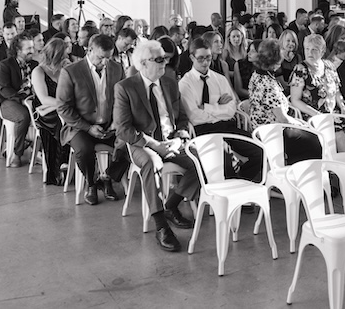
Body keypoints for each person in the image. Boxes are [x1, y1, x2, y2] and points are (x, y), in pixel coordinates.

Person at [114, 40, 200, 252]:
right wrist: (154, 145)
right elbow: (123, 130)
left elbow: (180, 117)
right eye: (159, 59)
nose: (165, 63)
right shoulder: (125, 88)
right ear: (143, 63)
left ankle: (170, 205)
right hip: (141, 142)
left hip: (170, 139)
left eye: (166, 58)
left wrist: (179, 137)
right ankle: (161, 225)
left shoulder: (170, 83)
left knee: (200, 161)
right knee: (152, 164)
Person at [55, 33, 128, 206]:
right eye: (101, 58)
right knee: (84, 150)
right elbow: (63, 107)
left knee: (130, 143)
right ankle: (91, 183)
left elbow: (123, 100)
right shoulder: (71, 71)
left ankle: (108, 176)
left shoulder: (116, 68)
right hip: (80, 125)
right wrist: (88, 127)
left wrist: (116, 122)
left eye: (108, 58)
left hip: (110, 123)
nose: (105, 63)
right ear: (89, 50)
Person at [178, 37, 263, 180]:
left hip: (227, 126)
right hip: (203, 130)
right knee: (224, 158)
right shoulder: (186, 83)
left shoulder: (219, 79)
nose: (205, 62)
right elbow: (194, 116)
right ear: (192, 57)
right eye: (200, 59)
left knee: (259, 149)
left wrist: (207, 107)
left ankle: (241, 181)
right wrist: (219, 107)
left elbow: (231, 110)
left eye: (208, 58)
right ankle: (229, 188)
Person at [248, 38, 322, 164]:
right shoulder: (269, 84)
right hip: (271, 131)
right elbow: (282, 119)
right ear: (276, 63)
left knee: (307, 133)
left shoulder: (257, 74)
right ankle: (298, 173)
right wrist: (301, 124)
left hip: (264, 125)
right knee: (314, 141)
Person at [289, 34, 345, 152]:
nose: (310, 53)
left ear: (322, 51)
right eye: (307, 49)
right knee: (339, 135)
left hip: (333, 112)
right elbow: (295, 100)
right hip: (313, 114)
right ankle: (343, 168)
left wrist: (342, 105)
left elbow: (336, 90)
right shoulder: (300, 70)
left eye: (314, 49)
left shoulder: (329, 66)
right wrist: (317, 114)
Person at [30, 38, 71, 185]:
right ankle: (60, 164)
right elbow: (44, 98)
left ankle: (70, 162)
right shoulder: (39, 71)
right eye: (63, 56)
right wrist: (65, 105)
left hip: (59, 107)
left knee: (71, 119)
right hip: (45, 111)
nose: (66, 58)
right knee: (62, 123)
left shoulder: (65, 68)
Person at [0, 34, 36, 167]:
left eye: (32, 47)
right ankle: (17, 154)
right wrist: (23, 100)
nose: (33, 51)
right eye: (28, 48)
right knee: (23, 116)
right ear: (18, 51)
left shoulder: (35, 64)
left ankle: (42, 150)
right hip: (9, 101)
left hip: (32, 99)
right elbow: (5, 90)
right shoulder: (4, 65)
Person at [221, 25, 251, 100]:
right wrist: (235, 73)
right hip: (230, 85)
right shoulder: (225, 53)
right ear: (229, 39)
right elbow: (222, 70)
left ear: (242, 37)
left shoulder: (247, 52)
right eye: (233, 36)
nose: (236, 39)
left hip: (244, 85)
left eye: (238, 36)